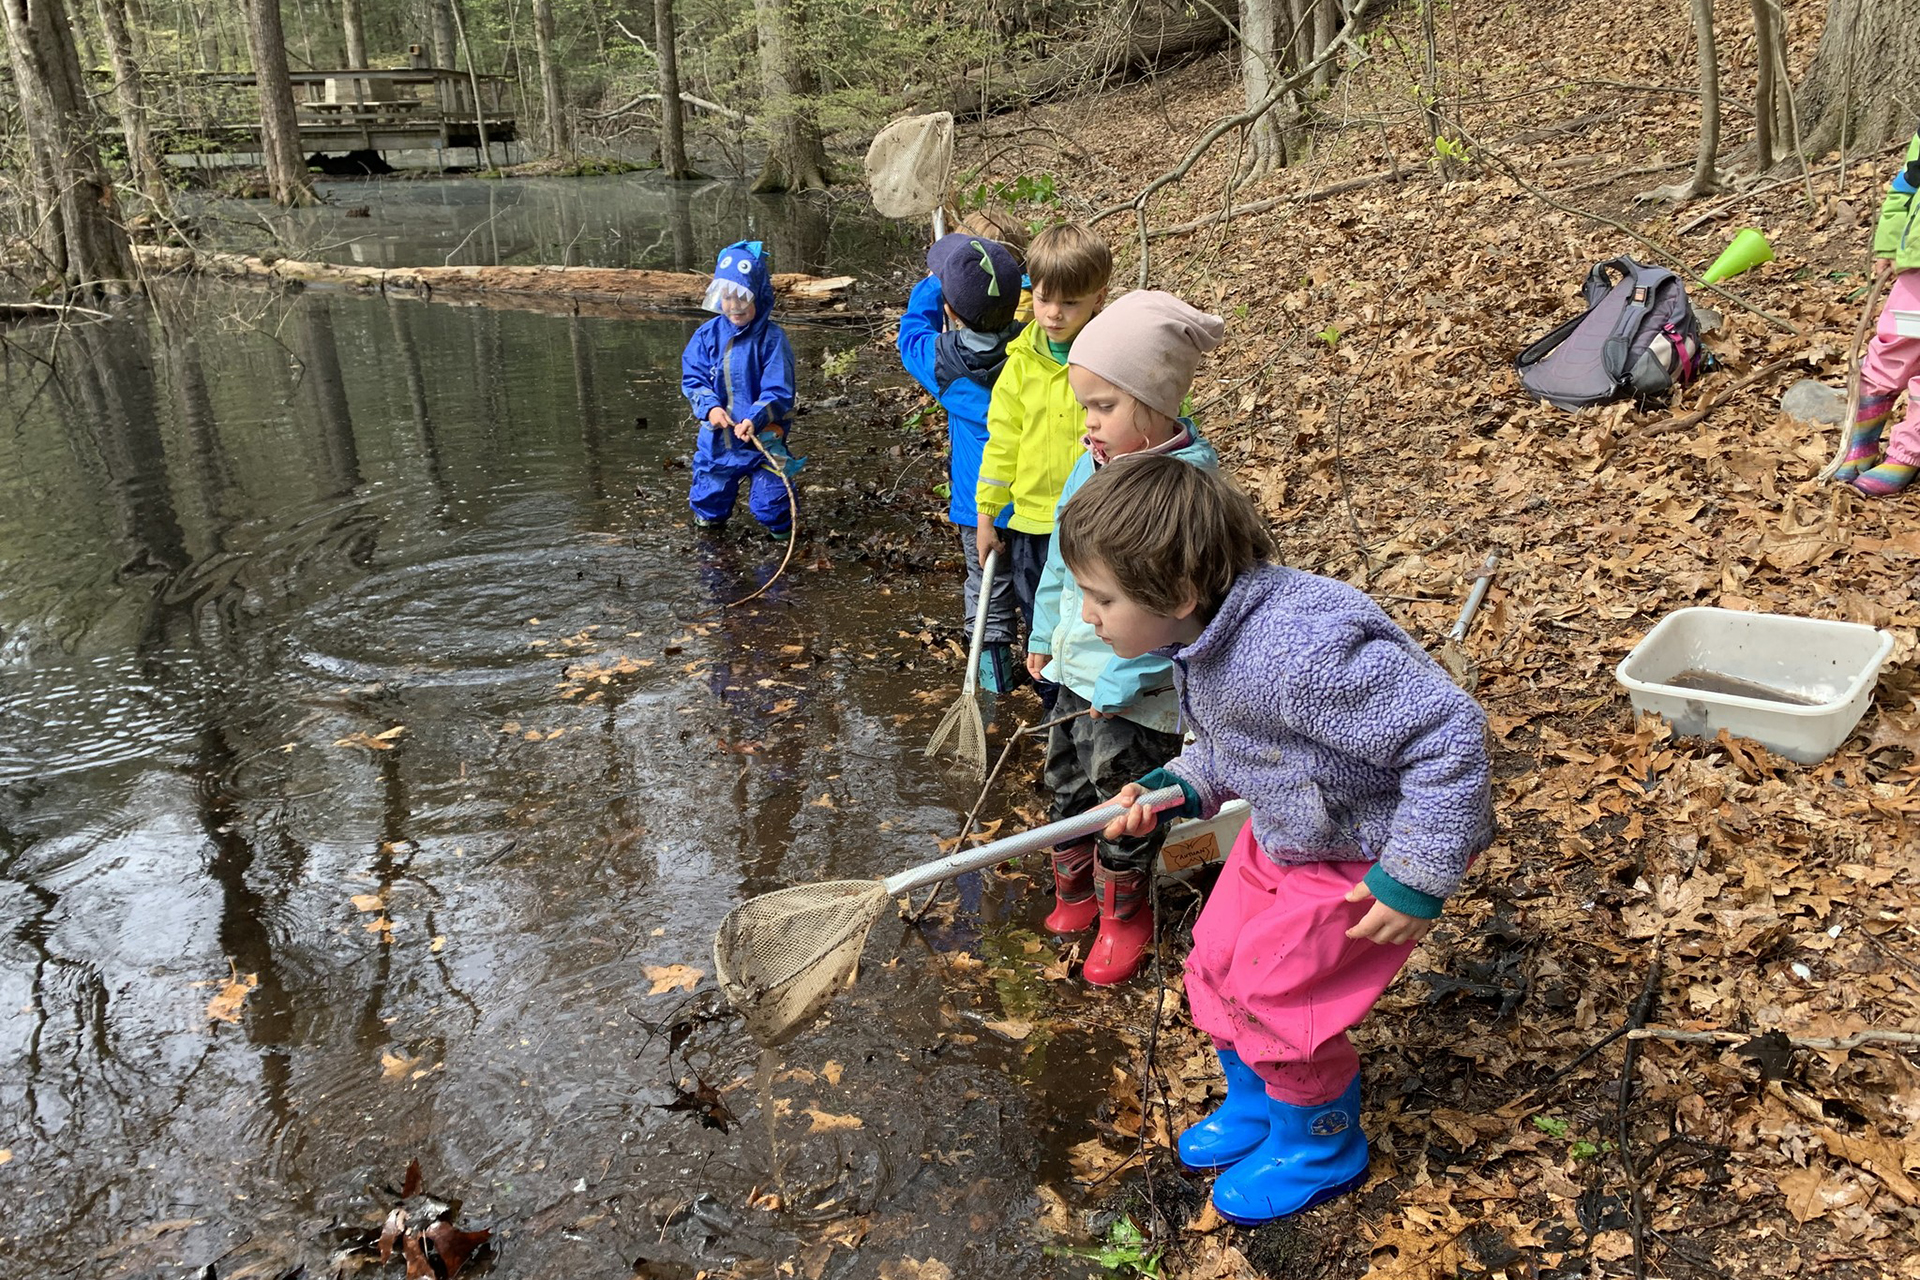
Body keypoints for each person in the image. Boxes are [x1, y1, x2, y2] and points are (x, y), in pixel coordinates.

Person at [1068, 457, 1494, 1225]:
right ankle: (1261, 1103)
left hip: (1368, 847)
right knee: (1217, 957)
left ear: (1178, 594)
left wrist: (1417, 874)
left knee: (1278, 991)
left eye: (1102, 598)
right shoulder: (1205, 637)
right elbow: (1236, 744)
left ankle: (1321, 1145)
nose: (1087, 615)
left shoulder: (1303, 657)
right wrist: (1176, 787)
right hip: (1293, 827)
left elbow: (1450, 734)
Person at [1025, 291, 1222, 985]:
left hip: (1138, 699)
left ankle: (1123, 914)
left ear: (1153, 400)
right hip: (1074, 677)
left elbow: (1183, 615)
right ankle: (1075, 892)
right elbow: (1060, 556)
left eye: (1103, 407)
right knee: (1065, 784)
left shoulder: (1182, 492)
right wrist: (1047, 631)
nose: (1088, 424)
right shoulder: (1094, 464)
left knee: (1124, 809)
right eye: (1085, 407)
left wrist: (1120, 682)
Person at [973, 223, 1112, 691]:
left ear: (1098, 297)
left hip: (1100, 520)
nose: (1053, 314)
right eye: (1043, 298)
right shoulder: (1019, 363)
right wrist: (988, 515)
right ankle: (1052, 702)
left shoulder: (1108, 359)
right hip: (1034, 524)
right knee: (1042, 620)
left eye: (1069, 303)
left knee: (1099, 614)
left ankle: (1098, 694)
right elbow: (1002, 442)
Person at [897, 233, 1026, 692]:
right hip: (1037, 499)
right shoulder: (1033, 352)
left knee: (987, 588)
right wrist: (1016, 282)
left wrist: (934, 283)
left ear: (950, 312)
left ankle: (995, 684)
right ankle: (1050, 680)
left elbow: (910, 330)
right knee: (1038, 588)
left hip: (980, 503)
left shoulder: (940, 363)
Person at [680, 240, 800, 539]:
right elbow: (694, 378)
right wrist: (710, 406)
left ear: (758, 296)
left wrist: (755, 419)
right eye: (727, 298)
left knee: (771, 505)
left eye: (742, 298)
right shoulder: (706, 335)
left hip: (764, 438)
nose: (734, 306)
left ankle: (784, 534)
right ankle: (711, 545)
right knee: (709, 502)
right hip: (718, 440)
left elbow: (779, 390)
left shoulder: (772, 339)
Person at [1840, 119, 1920, 495]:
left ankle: (1906, 453)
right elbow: (1907, 183)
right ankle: (1860, 444)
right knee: (1891, 345)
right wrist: (1888, 245)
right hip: (1916, 259)